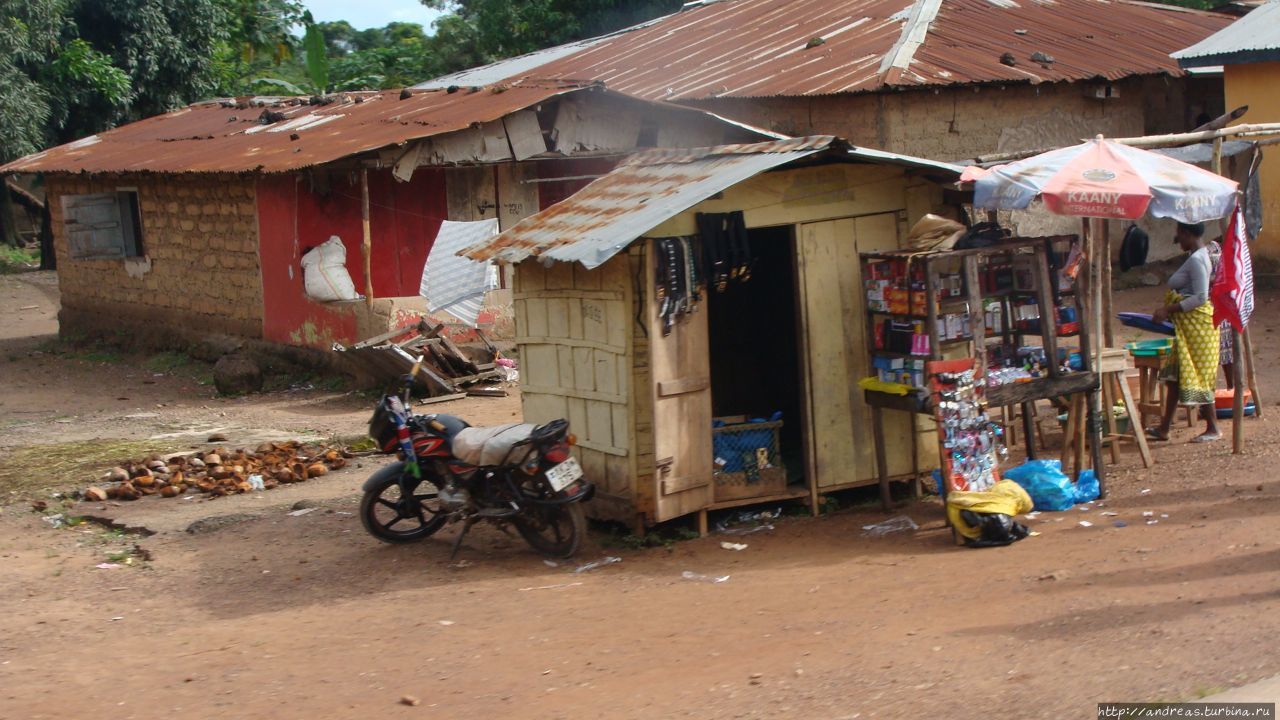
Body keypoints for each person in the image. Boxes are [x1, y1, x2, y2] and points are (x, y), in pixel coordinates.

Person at [1146, 222, 1221, 443]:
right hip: (1188, 328)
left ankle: (1214, 427)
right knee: (1175, 379)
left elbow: (1200, 297)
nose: (1177, 239)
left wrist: (1168, 309)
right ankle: (1164, 428)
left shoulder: (1198, 259)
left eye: (1179, 234)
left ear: (1187, 234)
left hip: (1198, 328)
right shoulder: (1198, 255)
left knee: (1200, 376)